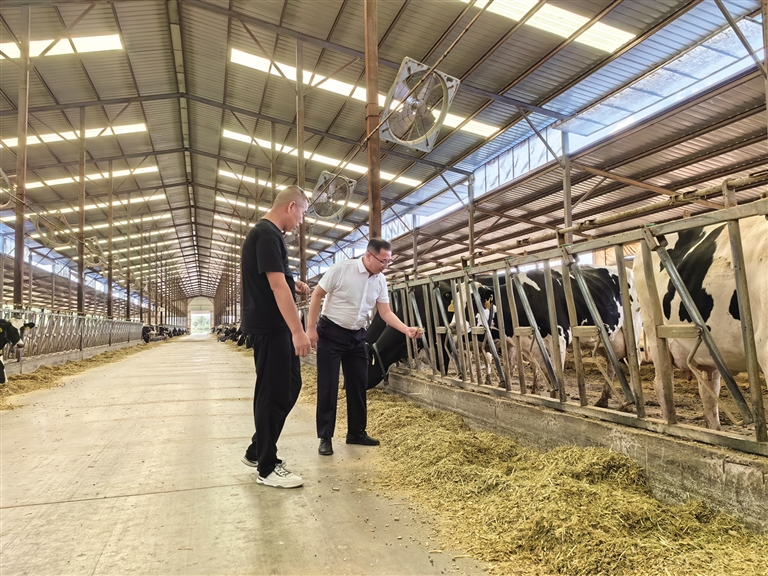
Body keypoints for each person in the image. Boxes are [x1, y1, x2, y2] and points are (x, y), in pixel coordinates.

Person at [307, 238, 421, 456]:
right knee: (328, 385)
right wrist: (311, 329)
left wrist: (406, 329)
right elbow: (317, 295)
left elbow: (385, 312)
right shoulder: (341, 269)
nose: (385, 265)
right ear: (369, 255)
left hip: (357, 336)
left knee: (359, 383)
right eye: (382, 261)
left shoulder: (380, 280)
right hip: (330, 333)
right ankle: (325, 437)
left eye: (389, 261)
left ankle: (356, 432)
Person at [240, 186, 312, 488]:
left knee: (288, 385)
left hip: (271, 324)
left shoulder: (268, 235)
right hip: (271, 326)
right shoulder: (268, 235)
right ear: (291, 206)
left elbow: (276, 278)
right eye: (302, 214)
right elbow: (275, 286)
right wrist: (298, 331)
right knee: (273, 393)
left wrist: (293, 282)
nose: (300, 221)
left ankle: (257, 450)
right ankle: (266, 467)